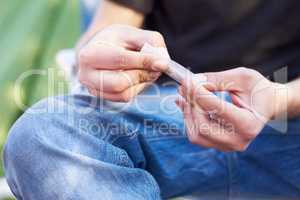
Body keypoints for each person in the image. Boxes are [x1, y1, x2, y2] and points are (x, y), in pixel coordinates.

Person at [3, 0, 300, 199]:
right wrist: (99, 56)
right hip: (165, 114)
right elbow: (106, 29)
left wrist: (277, 99)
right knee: (43, 134)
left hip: (289, 123)